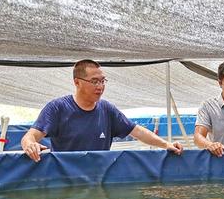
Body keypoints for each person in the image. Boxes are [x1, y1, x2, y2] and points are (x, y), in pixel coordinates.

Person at [21, 59, 183, 162]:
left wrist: (166, 144)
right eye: (94, 81)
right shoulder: (57, 107)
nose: (100, 86)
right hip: (65, 180)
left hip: (99, 179)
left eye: (103, 81)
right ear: (77, 82)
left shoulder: (107, 109)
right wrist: (30, 145)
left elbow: (137, 131)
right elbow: (31, 136)